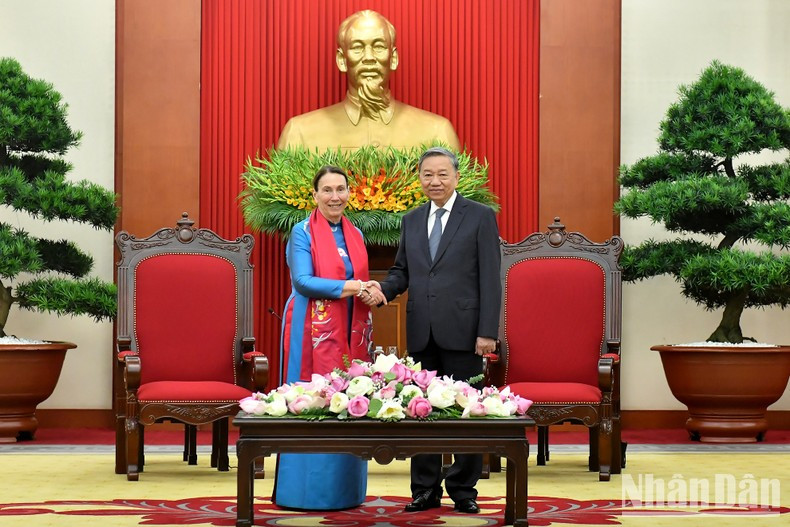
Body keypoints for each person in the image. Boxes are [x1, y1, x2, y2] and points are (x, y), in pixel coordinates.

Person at [370, 147, 501, 514]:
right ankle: (424, 490)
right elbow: (402, 271)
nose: (435, 181)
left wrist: (487, 331)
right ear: (419, 178)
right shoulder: (411, 220)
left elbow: (491, 278)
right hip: (421, 332)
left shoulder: (479, 217)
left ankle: (463, 490)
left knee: (466, 412)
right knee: (421, 411)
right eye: (428, 174)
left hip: (465, 331)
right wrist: (383, 290)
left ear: (456, 177)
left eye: (442, 174)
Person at [274, 165, 385, 510]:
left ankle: (345, 491)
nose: (335, 196)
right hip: (311, 327)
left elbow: (361, 279)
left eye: (341, 189)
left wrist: (370, 292)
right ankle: (303, 491)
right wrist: (352, 287)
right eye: (327, 190)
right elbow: (303, 282)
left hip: (351, 324)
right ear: (315, 195)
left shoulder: (355, 233)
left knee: (351, 396)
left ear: (350, 193)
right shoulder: (302, 232)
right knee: (312, 399)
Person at [277, 10, 461, 152]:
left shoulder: (437, 132)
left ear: (393, 58)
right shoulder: (299, 132)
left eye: (379, 46)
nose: (369, 57)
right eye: (357, 47)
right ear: (341, 60)